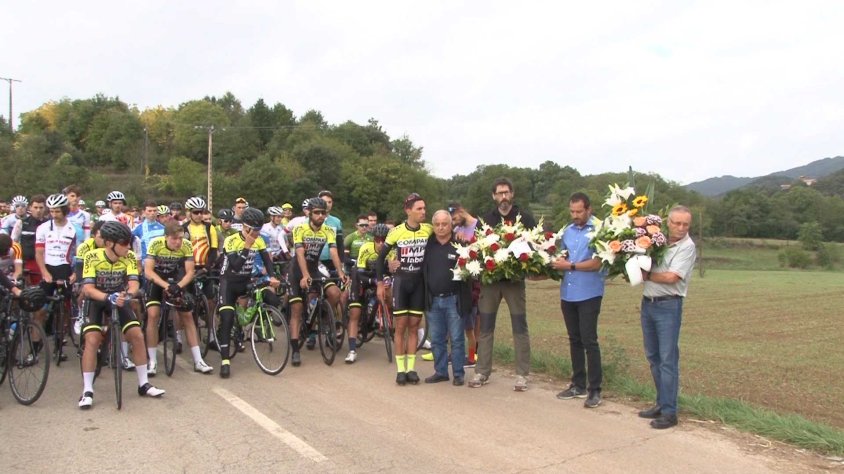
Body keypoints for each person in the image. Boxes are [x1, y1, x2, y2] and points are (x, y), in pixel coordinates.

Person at [78, 221, 165, 409]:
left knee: (137, 335)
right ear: (110, 243)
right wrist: (107, 297)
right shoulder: (92, 257)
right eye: (124, 243)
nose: (128, 247)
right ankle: (87, 390)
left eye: (129, 243)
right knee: (92, 340)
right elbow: (88, 289)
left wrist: (129, 295)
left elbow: (134, 284)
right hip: (97, 300)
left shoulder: (130, 257)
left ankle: (144, 384)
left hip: (119, 298)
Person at [470, 177, 537, 391]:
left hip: (514, 282)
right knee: (486, 326)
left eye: (506, 192)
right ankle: (482, 371)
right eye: (499, 193)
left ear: (512, 194)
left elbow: (536, 245)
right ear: (494, 196)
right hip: (490, 283)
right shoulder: (485, 221)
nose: (503, 197)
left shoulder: (525, 218)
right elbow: (476, 249)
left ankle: (522, 375)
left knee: (519, 326)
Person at [638, 205, 696, 429]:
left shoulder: (687, 247)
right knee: (653, 357)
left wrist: (646, 276)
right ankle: (661, 403)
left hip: (669, 306)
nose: (681, 228)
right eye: (677, 223)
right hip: (649, 303)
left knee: (667, 360)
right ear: (668, 222)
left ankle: (670, 412)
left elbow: (672, 277)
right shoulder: (657, 241)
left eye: (685, 224)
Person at [551, 192, 605, 408]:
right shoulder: (568, 231)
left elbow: (598, 262)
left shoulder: (600, 230)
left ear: (589, 209)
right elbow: (563, 255)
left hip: (589, 292)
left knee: (589, 340)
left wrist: (570, 266)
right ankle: (578, 384)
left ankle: (595, 389)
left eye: (579, 211)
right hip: (568, 293)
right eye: (572, 211)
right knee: (574, 339)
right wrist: (558, 260)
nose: (575, 215)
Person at [376, 193, 432, 385]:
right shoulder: (396, 232)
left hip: (418, 283)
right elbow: (380, 259)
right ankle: (400, 370)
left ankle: (411, 369)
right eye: (419, 209)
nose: (423, 212)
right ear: (408, 210)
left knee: (414, 326)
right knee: (400, 326)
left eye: (424, 208)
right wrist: (380, 283)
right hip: (401, 283)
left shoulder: (428, 229)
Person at [217, 207, 280, 378]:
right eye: (255, 230)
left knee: (270, 297)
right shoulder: (231, 240)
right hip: (228, 282)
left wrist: (272, 277)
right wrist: (247, 247)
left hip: (246, 280)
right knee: (228, 318)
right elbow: (236, 266)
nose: (258, 233)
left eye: (260, 230)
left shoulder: (259, 240)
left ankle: (256, 325)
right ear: (246, 228)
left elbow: (267, 261)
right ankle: (225, 361)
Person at [144, 221, 213, 375]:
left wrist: (178, 286)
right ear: (166, 237)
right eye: (174, 239)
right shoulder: (155, 244)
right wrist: (165, 286)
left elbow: (190, 272)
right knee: (153, 315)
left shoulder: (186, 245)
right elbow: (148, 271)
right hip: (157, 280)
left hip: (177, 280)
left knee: (187, 316)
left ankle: (198, 360)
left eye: (180, 238)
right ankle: (152, 361)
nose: (178, 242)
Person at [288, 197, 347, 367]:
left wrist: (341, 272)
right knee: (297, 308)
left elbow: (334, 252)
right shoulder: (300, 229)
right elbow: (300, 253)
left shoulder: (329, 230)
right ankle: (295, 350)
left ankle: (322, 317)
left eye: (323, 213)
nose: (321, 215)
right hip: (297, 270)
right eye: (317, 213)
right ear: (310, 214)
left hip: (315, 268)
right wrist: (305, 275)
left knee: (335, 292)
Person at [422, 210, 471, 386]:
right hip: (433, 300)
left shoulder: (460, 244)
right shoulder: (428, 244)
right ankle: (441, 372)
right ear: (433, 226)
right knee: (436, 339)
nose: (441, 227)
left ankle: (458, 373)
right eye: (437, 224)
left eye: (445, 224)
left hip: (454, 299)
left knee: (457, 339)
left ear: (451, 225)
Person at [34, 193, 79, 361]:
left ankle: (59, 346)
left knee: (64, 310)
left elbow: (81, 254)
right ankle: (35, 346)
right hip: (48, 268)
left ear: (65, 210)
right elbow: (39, 252)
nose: (54, 214)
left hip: (65, 269)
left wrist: (76, 273)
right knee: (40, 310)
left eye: (57, 211)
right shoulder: (43, 228)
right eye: (51, 211)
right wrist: (44, 272)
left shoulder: (75, 229)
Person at [344, 223, 389, 363]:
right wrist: (372, 280)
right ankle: (352, 351)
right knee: (355, 312)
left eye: (383, 240)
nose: (381, 243)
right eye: (378, 240)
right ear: (373, 239)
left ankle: (376, 319)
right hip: (361, 278)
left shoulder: (391, 250)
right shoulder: (366, 248)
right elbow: (359, 273)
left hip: (377, 278)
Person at [448, 201, 480, 366]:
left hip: (473, 281)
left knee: (470, 326)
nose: (453, 223)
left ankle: (473, 356)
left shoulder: (478, 226)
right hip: (458, 280)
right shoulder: (456, 230)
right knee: (455, 324)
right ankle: (455, 354)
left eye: (454, 219)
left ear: (461, 211)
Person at [12, 194, 48, 285]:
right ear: (30, 208)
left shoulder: (49, 224)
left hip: (45, 263)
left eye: (41, 207)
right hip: (27, 263)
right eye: (35, 207)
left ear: (45, 208)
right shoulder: (21, 223)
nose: (38, 210)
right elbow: (13, 243)